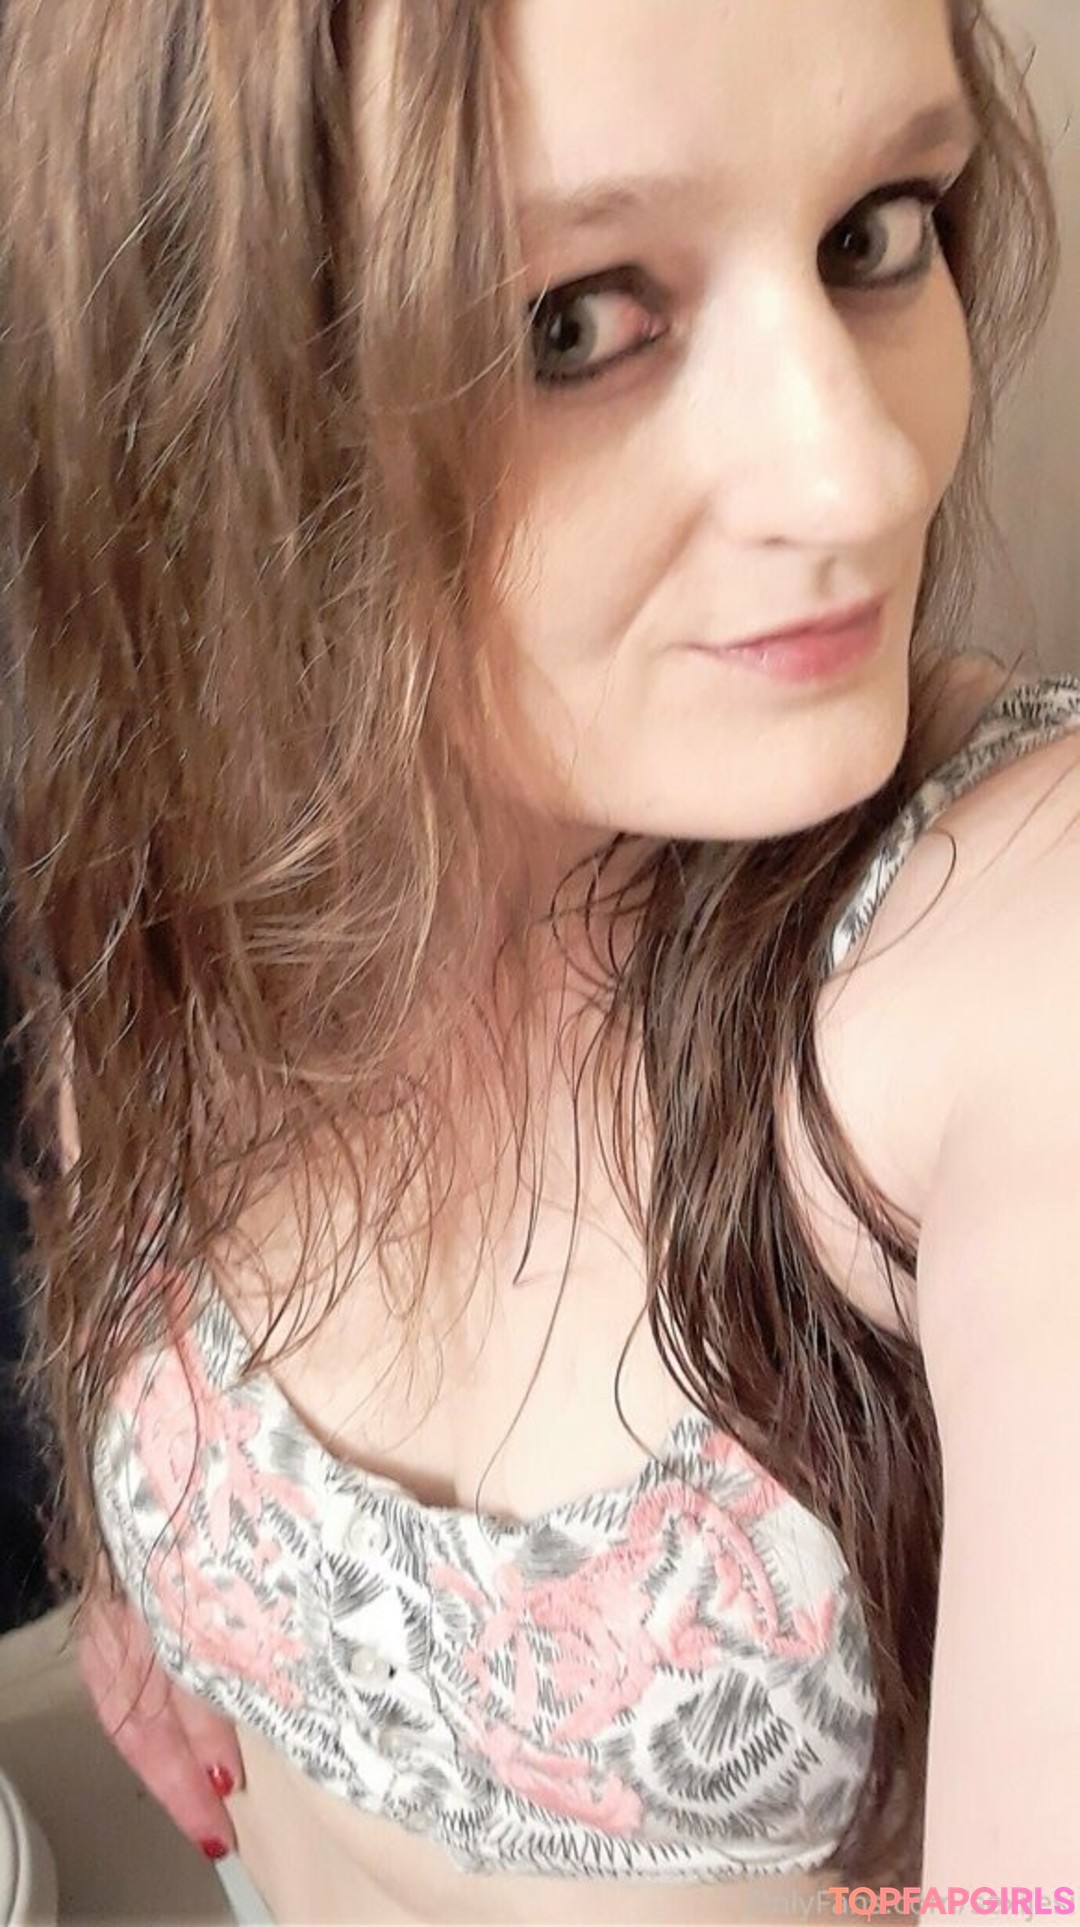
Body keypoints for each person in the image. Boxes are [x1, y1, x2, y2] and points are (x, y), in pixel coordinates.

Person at [0, 0, 1077, 1921]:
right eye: (572, 323)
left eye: (874, 231)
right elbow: (116, 1186)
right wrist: (142, 1562)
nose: (863, 476)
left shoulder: (1013, 962)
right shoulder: (179, 832)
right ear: (185, 394)